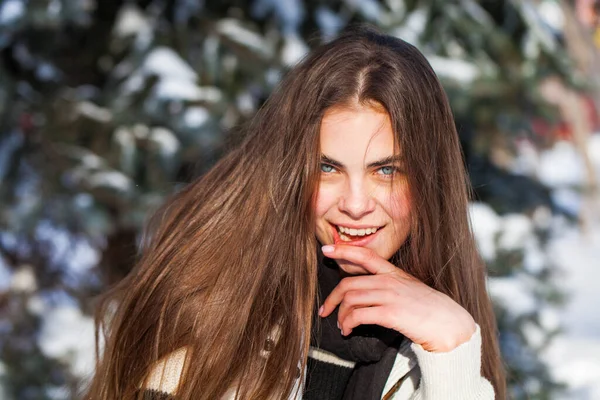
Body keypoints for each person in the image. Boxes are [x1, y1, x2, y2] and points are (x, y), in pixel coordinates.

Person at [85, 25, 506, 400]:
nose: (355, 205)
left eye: (386, 170)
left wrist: (452, 353)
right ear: (291, 169)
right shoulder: (212, 316)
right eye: (327, 168)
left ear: (429, 178)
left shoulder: (445, 333)